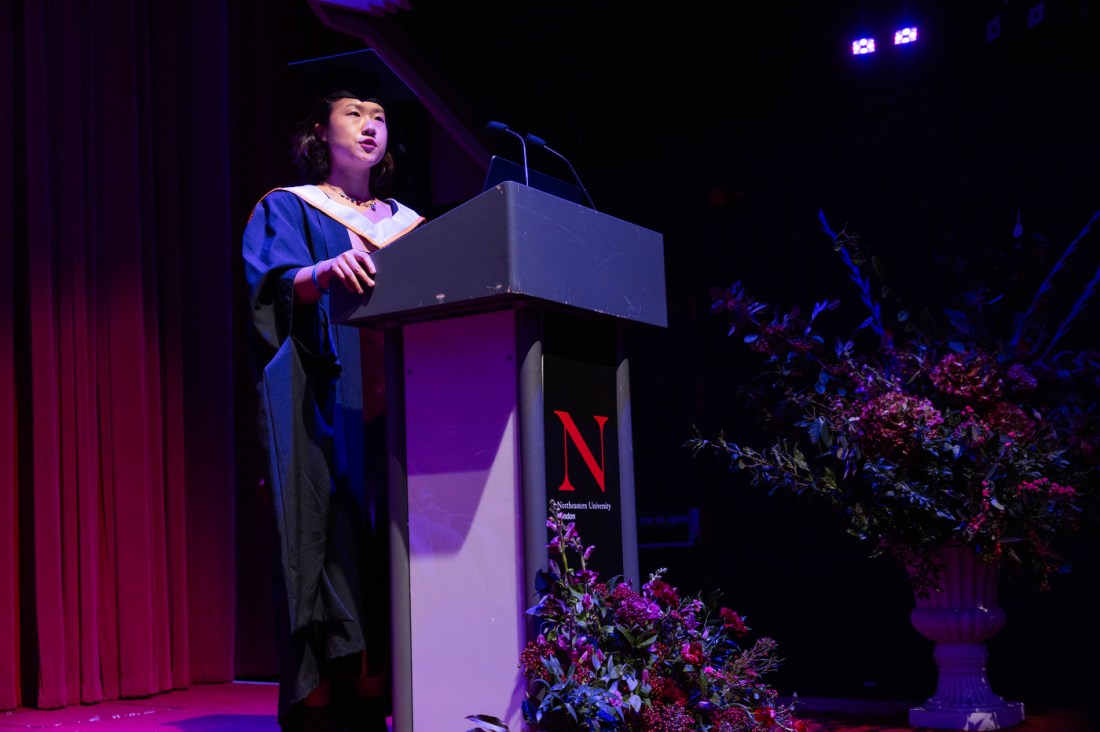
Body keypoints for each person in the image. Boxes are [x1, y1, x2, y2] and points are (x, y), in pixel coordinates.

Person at [242, 86, 424, 731]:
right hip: (326, 407)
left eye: (379, 117)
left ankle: (384, 696)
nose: (371, 125)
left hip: (406, 412)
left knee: (393, 551)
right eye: (355, 114)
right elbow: (269, 286)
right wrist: (323, 270)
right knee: (328, 548)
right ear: (322, 133)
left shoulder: (412, 224)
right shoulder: (290, 208)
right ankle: (320, 707)